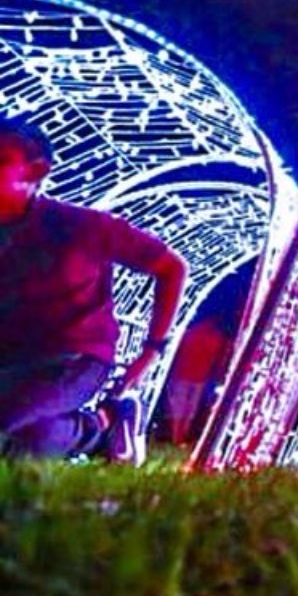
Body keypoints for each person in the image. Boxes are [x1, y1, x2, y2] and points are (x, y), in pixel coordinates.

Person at [0, 114, 187, 465]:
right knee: (28, 443)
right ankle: (101, 428)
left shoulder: (81, 226)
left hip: (75, 357)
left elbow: (170, 268)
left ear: (35, 172)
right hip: (14, 358)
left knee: (6, 419)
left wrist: (151, 351)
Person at [163, 313, 230, 447]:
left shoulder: (193, 334)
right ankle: (179, 437)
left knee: (182, 408)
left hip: (188, 376)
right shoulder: (214, 338)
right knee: (186, 409)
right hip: (192, 377)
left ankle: (178, 438)